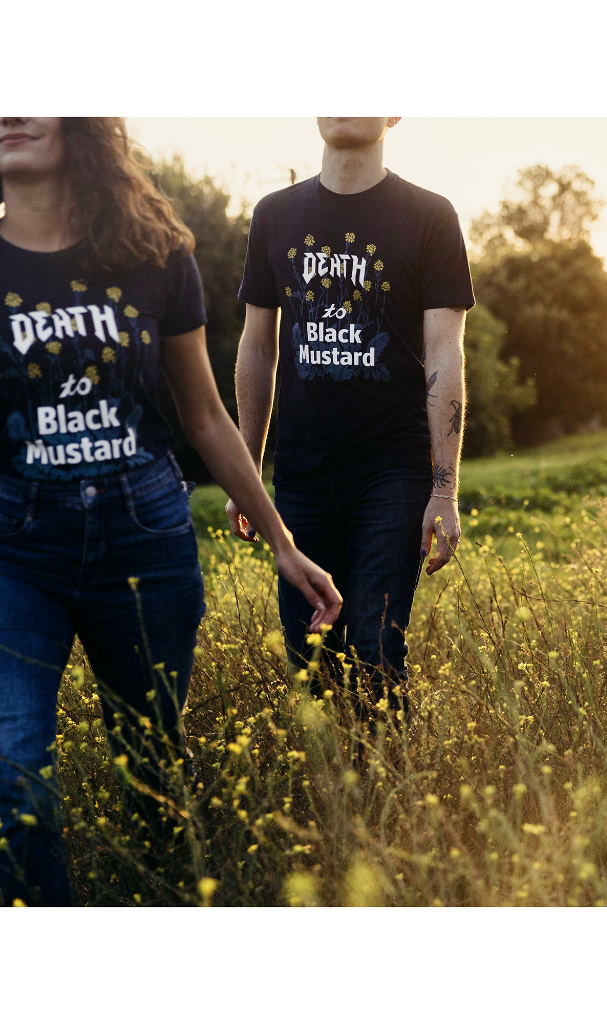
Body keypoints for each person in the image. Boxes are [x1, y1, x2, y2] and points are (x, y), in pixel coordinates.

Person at [0, 116, 341, 906]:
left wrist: (284, 545)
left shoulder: (153, 257)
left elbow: (205, 417)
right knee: (13, 780)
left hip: (144, 542)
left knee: (151, 771)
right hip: (17, 551)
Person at [228, 117, 475, 715]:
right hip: (302, 476)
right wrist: (246, 470)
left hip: (393, 471)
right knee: (309, 656)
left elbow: (445, 351)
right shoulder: (274, 214)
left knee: (377, 650)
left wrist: (445, 489)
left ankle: (389, 799)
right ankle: (333, 799)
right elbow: (259, 347)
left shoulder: (429, 215)